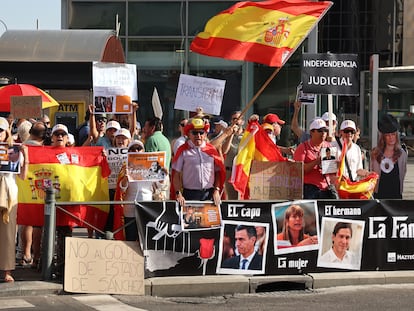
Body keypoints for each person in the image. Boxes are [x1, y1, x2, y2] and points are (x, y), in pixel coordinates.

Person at [172, 118, 225, 207]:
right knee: (190, 220)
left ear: (205, 135)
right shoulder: (183, 151)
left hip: (209, 194)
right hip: (190, 194)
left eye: (201, 133)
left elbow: (218, 172)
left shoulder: (211, 150)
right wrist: (178, 193)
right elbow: (176, 174)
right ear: (189, 134)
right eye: (194, 133)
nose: (198, 136)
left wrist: (216, 190)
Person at [0, 117, 29, 282]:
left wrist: (26, 157)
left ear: (6, 132)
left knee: (9, 232)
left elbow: (23, 176)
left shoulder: (15, 150)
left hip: (10, 193)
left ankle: (7, 270)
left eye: (1, 131)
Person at [293, 118, 333, 199]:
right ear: (312, 132)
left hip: (325, 188)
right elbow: (299, 170)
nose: (323, 133)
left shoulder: (329, 146)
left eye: (325, 130)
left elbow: (332, 171)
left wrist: (336, 164)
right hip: (309, 189)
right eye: (320, 131)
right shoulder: (303, 147)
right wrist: (317, 161)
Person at [371, 114, 407, 199]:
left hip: (396, 196)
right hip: (379, 196)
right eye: (388, 135)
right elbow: (372, 175)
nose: (391, 138)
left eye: (393, 134)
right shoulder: (375, 154)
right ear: (383, 137)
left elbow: (402, 174)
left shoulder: (402, 154)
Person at [223, 111, 245, 199]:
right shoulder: (226, 134)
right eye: (234, 119)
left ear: (242, 121)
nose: (236, 121)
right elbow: (225, 150)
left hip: (241, 171)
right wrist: (231, 134)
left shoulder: (247, 135)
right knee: (232, 198)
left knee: (242, 198)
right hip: (230, 171)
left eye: (238, 119)